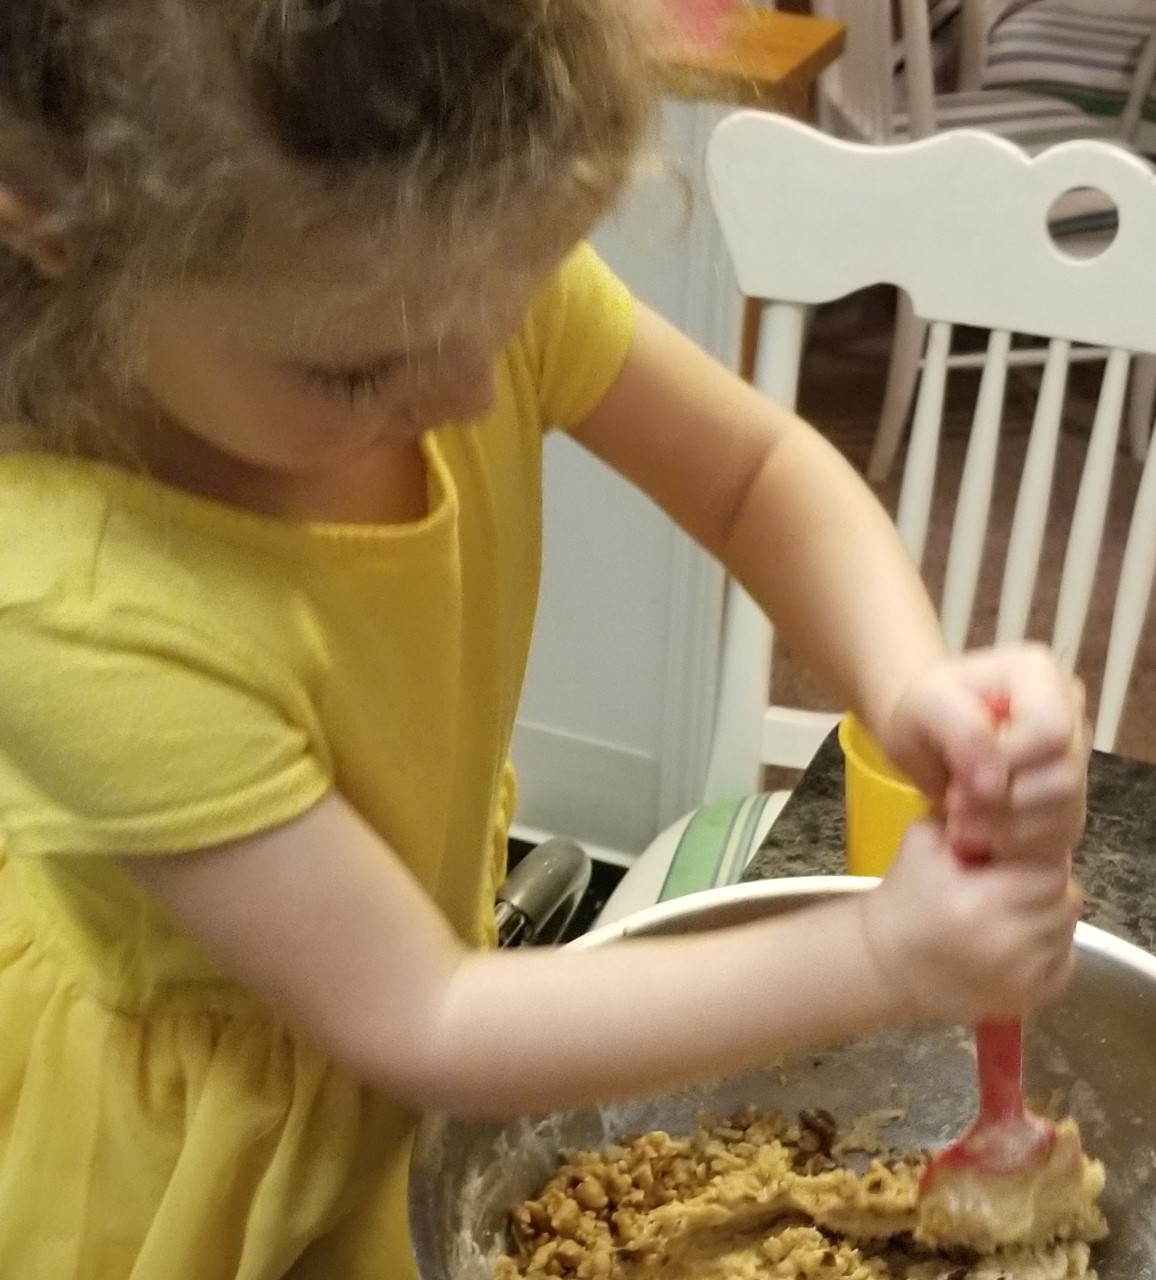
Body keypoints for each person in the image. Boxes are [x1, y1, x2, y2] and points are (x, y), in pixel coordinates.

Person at [0, 2, 1088, 1277]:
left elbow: (752, 475)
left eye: (517, 295)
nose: (469, 390)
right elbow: (423, 1014)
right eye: (360, 372)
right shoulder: (73, 606)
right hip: (210, 1162)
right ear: (56, 226)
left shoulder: (426, 282)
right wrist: (882, 954)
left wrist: (911, 685)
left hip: (418, 1011)